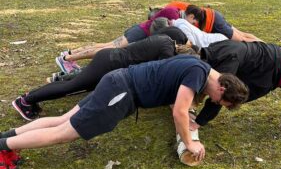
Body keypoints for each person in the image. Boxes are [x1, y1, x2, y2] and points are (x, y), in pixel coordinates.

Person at [0, 56, 249, 169]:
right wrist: (189, 144)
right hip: (121, 92)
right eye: (221, 102)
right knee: (62, 134)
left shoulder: (201, 68)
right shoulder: (198, 74)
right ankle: (3, 145)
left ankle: (6, 137)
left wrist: (189, 127)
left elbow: (178, 107)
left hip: (117, 82)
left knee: (62, 119)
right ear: (222, 88)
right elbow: (179, 113)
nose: (216, 104)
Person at [12, 29, 193, 121]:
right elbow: (159, 76)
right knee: (72, 85)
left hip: (110, 60)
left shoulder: (166, 41)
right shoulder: (167, 51)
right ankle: (26, 100)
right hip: (109, 62)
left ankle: (35, 97)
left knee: (79, 86)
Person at [56, 1, 261, 73]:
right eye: (195, 22)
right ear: (190, 16)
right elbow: (158, 30)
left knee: (106, 45)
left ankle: (69, 54)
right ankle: (68, 59)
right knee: (110, 50)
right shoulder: (174, 15)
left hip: (139, 30)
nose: (195, 26)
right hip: (140, 34)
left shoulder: (174, 12)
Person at [150, 17, 228, 48]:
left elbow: (192, 46)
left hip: (216, 44)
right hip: (216, 39)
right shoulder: (179, 21)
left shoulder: (181, 28)